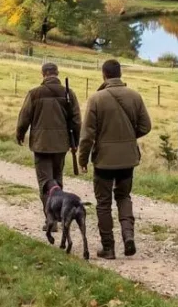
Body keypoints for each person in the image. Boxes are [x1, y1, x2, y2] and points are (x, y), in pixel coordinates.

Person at [77, 59, 151, 259]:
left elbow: (87, 135)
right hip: (128, 158)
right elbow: (146, 126)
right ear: (120, 74)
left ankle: (108, 248)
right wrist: (128, 137)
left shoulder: (96, 99)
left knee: (103, 202)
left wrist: (82, 159)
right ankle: (128, 236)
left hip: (104, 160)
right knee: (124, 196)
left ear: (104, 74)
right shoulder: (135, 96)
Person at [16, 62, 82, 213]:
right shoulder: (68, 93)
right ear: (57, 73)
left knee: (46, 183)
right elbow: (77, 120)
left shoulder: (34, 93)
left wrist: (20, 134)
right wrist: (75, 142)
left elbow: (24, 117)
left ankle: (50, 218)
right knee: (57, 180)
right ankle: (59, 212)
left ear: (43, 74)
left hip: (41, 145)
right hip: (61, 144)